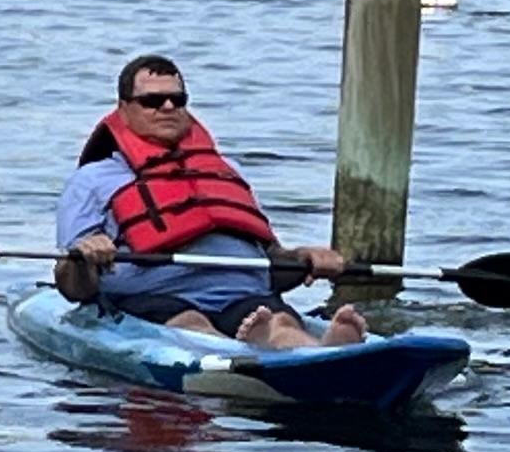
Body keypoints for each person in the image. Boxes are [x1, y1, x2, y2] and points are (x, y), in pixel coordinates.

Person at [54, 53, 370, 350]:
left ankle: (321, 352)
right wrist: (83, 255)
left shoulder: (225, 171)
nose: (167, 107)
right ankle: (241, 351)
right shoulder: (93, 179)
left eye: (177, 100)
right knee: (192, 324)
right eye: (152, 100)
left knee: (281, 323)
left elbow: (270, 262)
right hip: (156, 296)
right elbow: (73, 287)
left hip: (243, 295)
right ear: (123, 108)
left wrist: (304, 258)